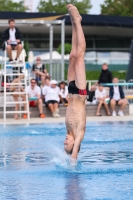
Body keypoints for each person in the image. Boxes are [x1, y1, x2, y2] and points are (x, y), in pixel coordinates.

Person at [64, 4, 87, 161]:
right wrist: (73, 158)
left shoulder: (68, 128)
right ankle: (78, 21)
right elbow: (75, 154)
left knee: (72, 55)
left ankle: (73, 22)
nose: (65, 141)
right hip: (80, 91)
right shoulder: (79, 132)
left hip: (71, 91)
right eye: (67, 144)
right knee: (79, 55)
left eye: (64, 143)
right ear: (74, 146)